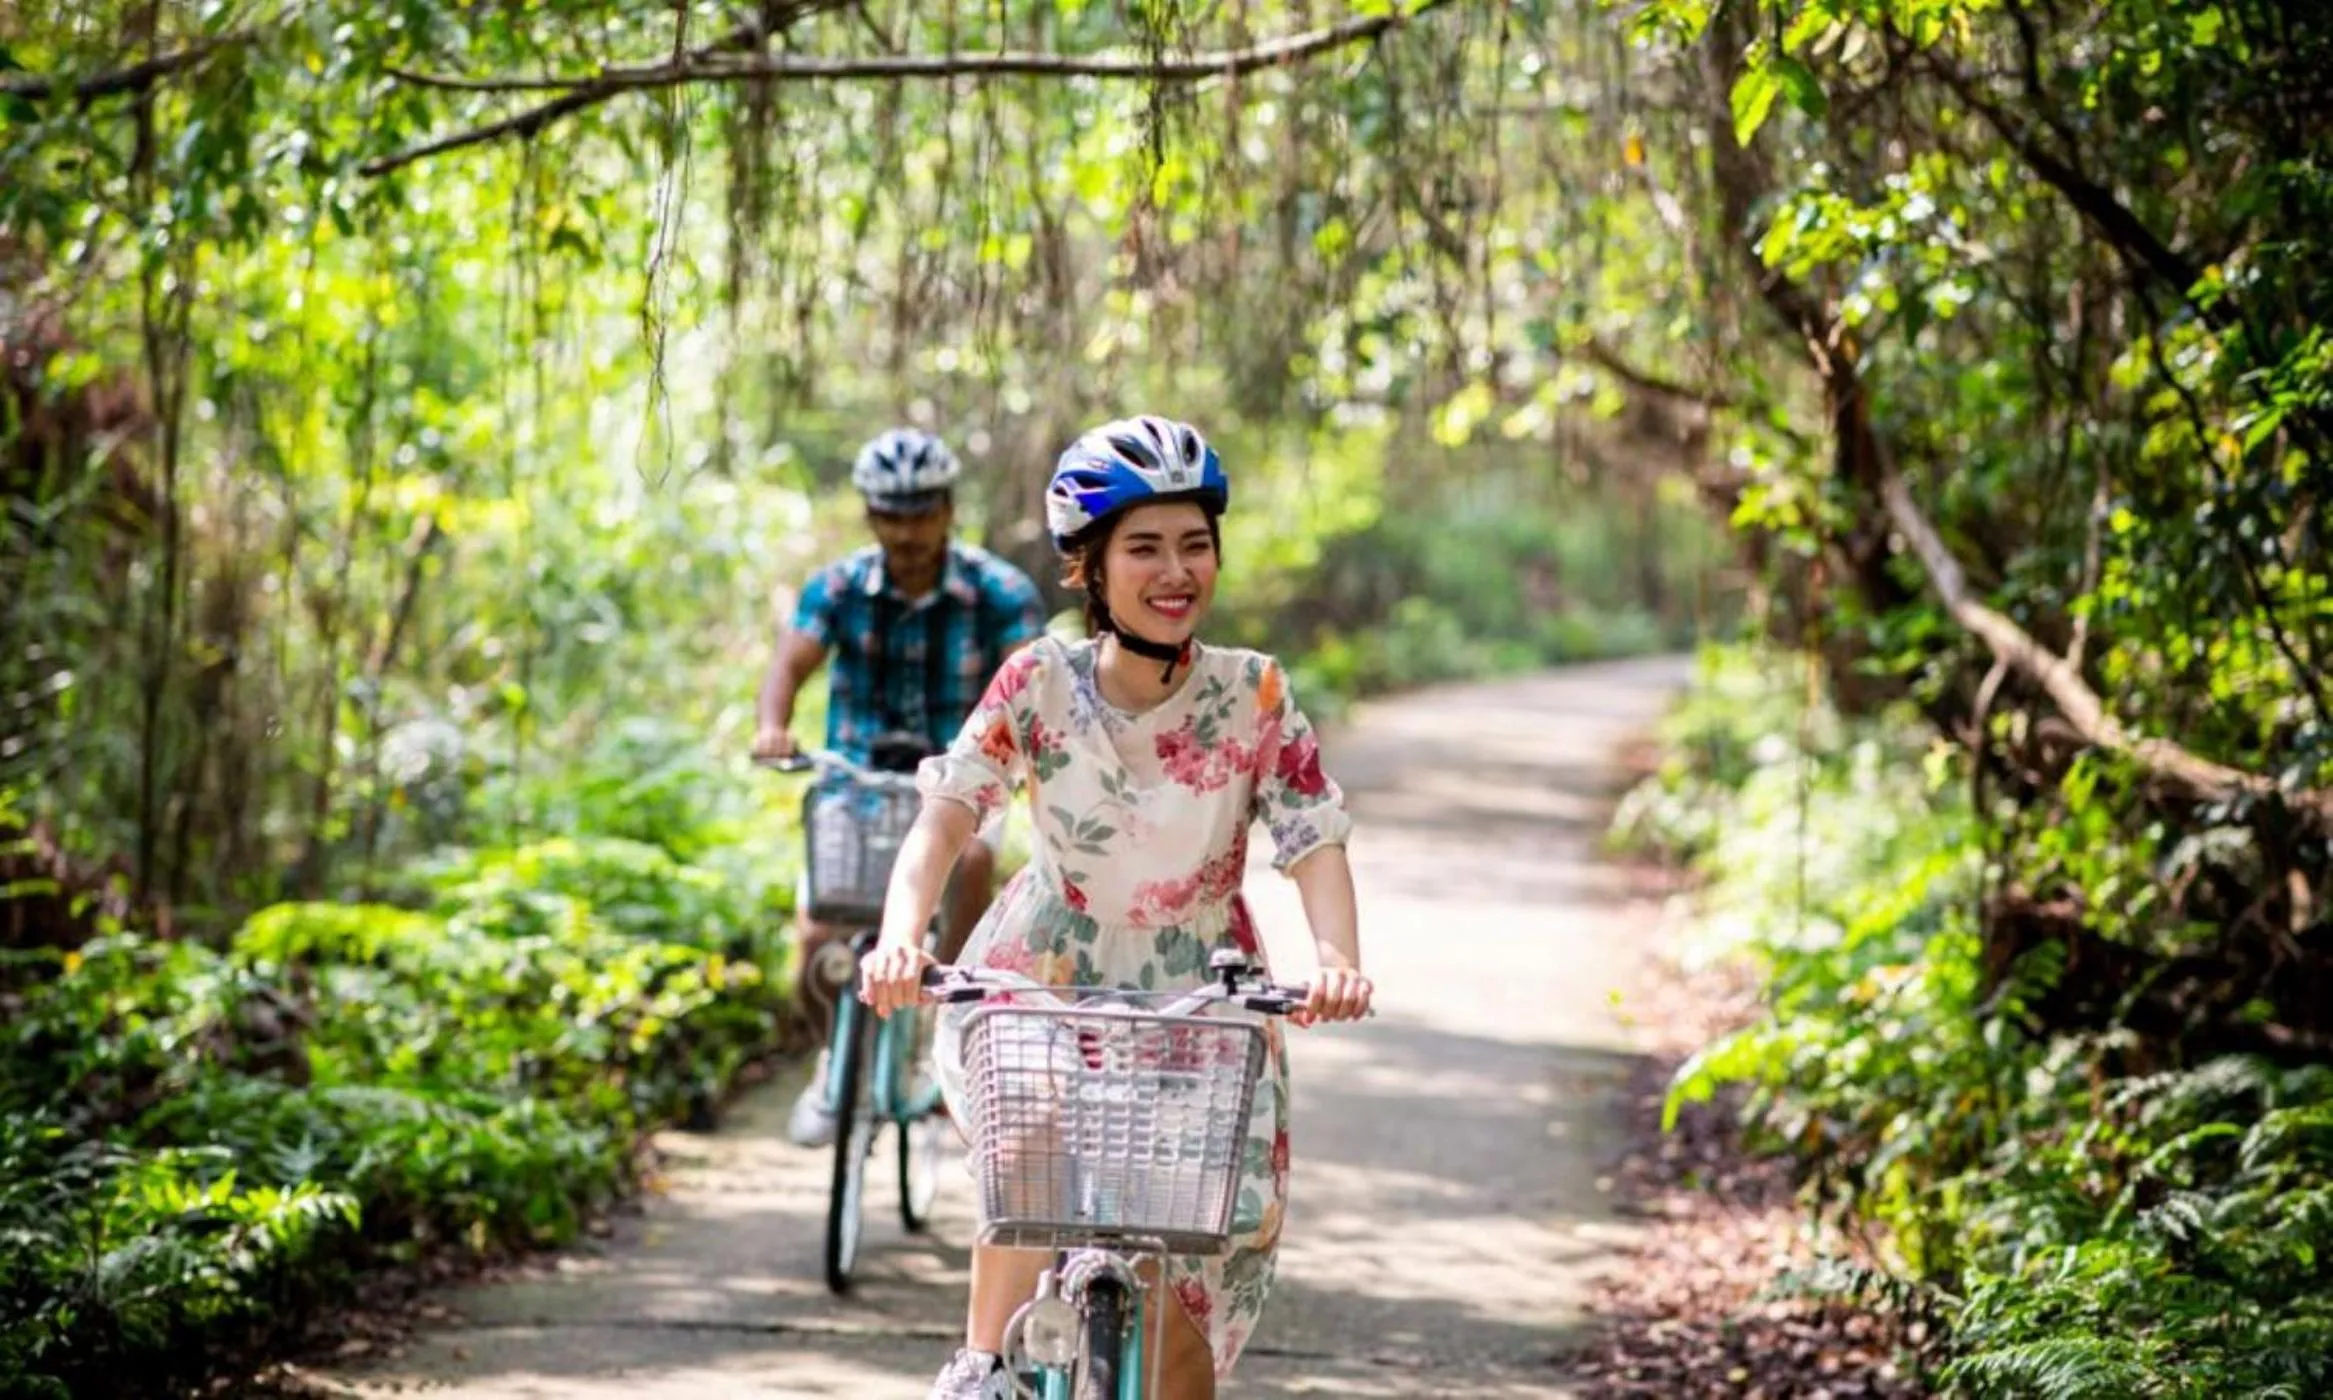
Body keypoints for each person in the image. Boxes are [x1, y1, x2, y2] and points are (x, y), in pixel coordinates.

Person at [859, 415, 1375, 1400]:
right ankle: (981, 1366)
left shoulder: (1252, 691)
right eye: (1143, 546)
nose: (1174, 569)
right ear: (1085, 568)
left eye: (1194, 543)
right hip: (1044, 972)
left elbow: (1311, 831)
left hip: (1202, 991)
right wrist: (898, 939)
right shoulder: (1037, 680)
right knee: (1031, 1148)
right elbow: (945, 819)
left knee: (1183, 1313)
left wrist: (1336, 957)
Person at [753, 426, 1047, 1148]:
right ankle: (835, 1065)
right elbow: (790, 665)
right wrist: (772, 727)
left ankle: (941, 1001)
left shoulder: (997, 591)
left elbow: (1037, 685)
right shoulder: (840, 588)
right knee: (818, 943)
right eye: (891, 513)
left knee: (972, 859)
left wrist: (1039, 752)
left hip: (960, 784)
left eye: (921, 511)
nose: (907, 529)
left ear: (948, 510)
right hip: (858, 786)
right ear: (870, 516)